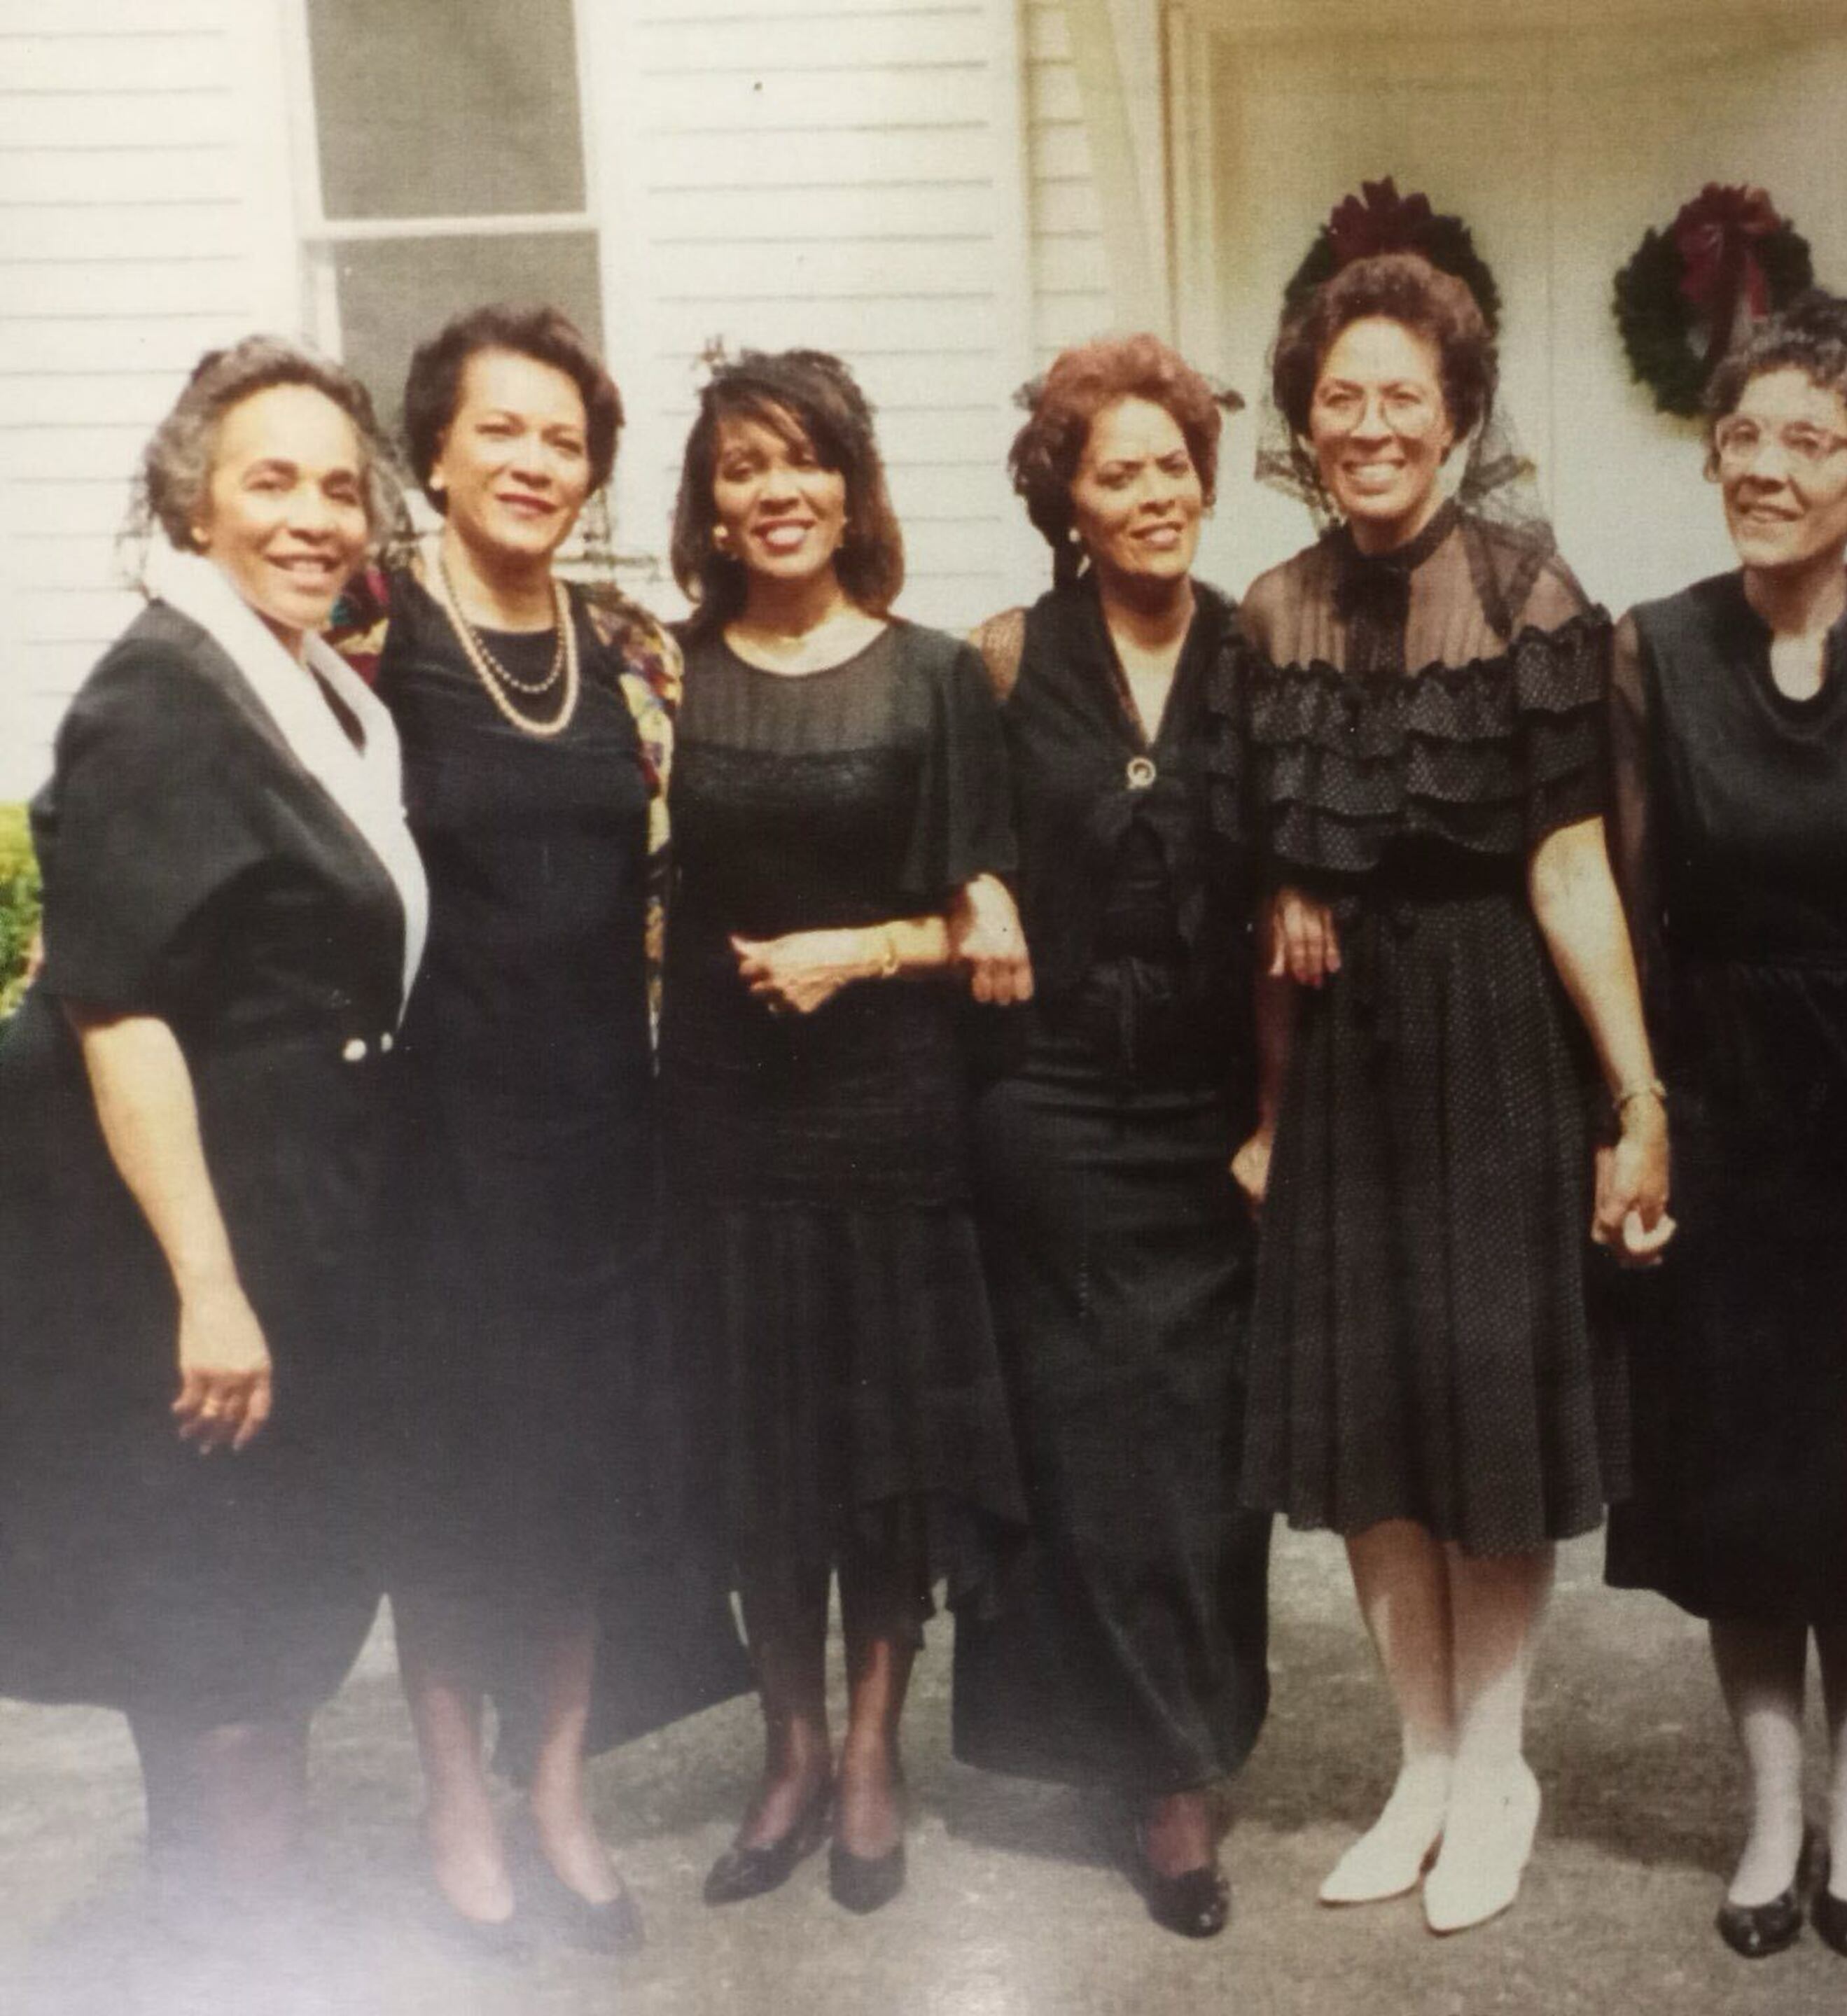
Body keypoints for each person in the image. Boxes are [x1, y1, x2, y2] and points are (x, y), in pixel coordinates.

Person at [1208, 244, 1671, 1935]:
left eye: (1407, 395)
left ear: (1462, 419)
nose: (1373, 424)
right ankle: (1416, 1761)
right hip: (1344, 1058)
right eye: (1343, 398)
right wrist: (1281, 882)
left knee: (1482, 1425)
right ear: (1306, 424)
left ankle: (1497, 1765)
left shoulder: (1536, 598)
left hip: (1490, 1038)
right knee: (1374, 1429)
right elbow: (1250, 855)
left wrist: (1638, 1098)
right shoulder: (1270, 613)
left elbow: (1568, 866)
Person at [0, 337, 426, 1924]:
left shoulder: (296, 680)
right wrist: (210, 1285)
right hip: (195, 1238)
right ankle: (246, 1941)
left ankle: (240, 1919)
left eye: (338, 486)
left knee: (258, 1612)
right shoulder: (158, 700)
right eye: (271, 480)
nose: (314, 516)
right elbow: (118, 1015)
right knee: (225, 1623)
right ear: (193, 499)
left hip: (290, 1209)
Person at [1601, 295, 1847, 1961]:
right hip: (1724, 1116)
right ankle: (1770, 1813)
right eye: (1741, 436)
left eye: (1808, 440)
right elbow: (1625, 898)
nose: (1764, 466)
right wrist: (1642, 1121)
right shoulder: (1655, 647)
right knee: (1743, 1498)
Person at [340, 303, 693, 1952]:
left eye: (564, 440)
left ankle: (555, 1787)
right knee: (450, 1481)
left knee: (578, 1477)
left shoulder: (632, 650)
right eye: (503, 430)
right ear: (434, 451)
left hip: (599, 1132)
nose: (535, 462)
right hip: (431, 1147)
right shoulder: (363, 631)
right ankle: (453, 1796)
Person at [661, 347, 1030, 1917]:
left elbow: (988, 931)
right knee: (764, 1461)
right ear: (714, 502)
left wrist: (855, 950)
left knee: (881, 1462)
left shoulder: (935, 676)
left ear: (850, 486)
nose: (776, 490)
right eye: (745, 465)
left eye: (803, 460)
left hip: (888, 1124)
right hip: (726, 1133)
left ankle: (875, 1749)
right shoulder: (668, 673)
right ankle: (792, 1747)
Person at [952, 336, 1273, 1939]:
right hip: (1056, 1103)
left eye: (1173, 465)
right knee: (1090, 1450)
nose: (1153, 495)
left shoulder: (1258, 651)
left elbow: (1308, 860)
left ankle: (1182, 1742)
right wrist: (983, 882)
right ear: (1066, 499)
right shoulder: (1006, 659)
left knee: (1203, 1455)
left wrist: (1280, 1110)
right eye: (1117, 471)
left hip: (1210, 1112)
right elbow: (950, 833)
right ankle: (1157, 1785)